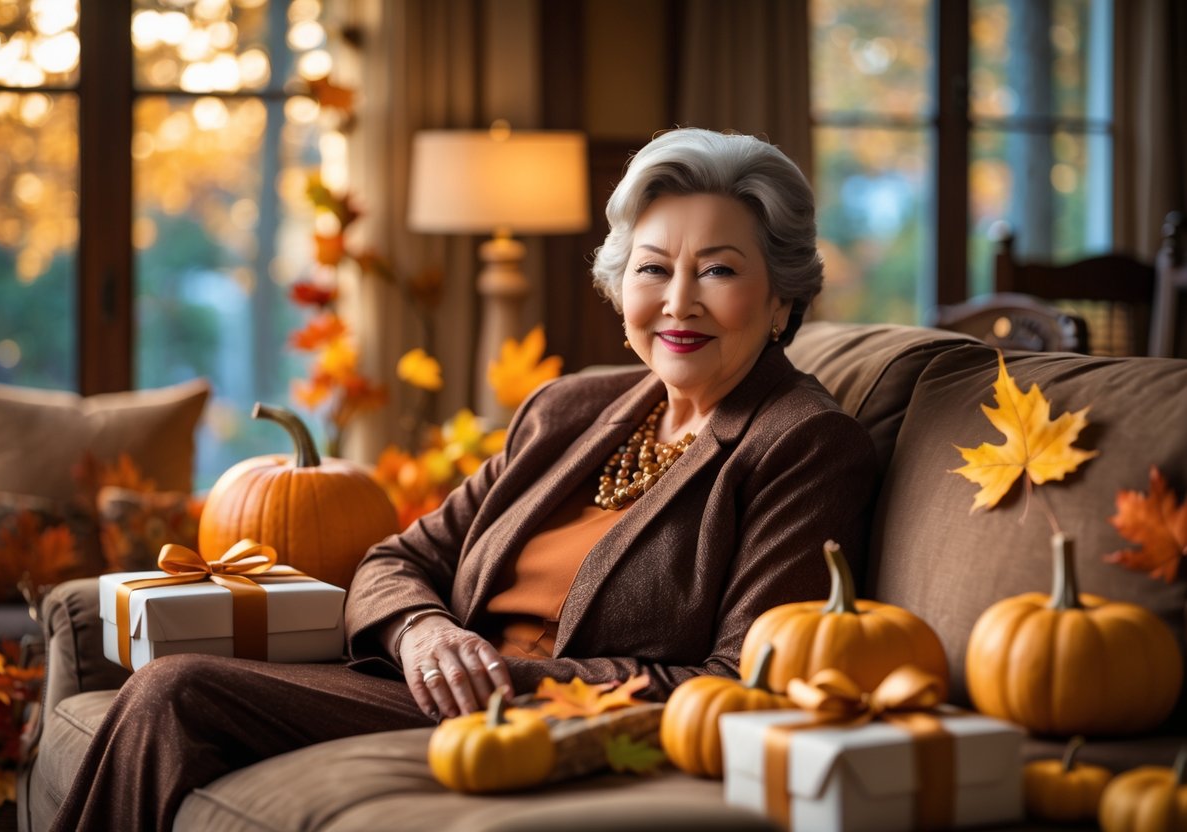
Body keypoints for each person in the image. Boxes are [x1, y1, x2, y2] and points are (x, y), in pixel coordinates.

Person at [52, 127, 877, 830]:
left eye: (720, 271)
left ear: (780, 299)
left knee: (176, 689)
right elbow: (393, 561)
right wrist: (425, 634)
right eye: (653, 268)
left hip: (540, 719)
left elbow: (736, 684)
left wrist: (496, 675)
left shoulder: (803, 444)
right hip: (426, 682)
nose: (677, 302)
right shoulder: (569, 409)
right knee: (168, 683)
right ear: (620, 284)